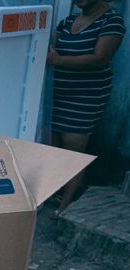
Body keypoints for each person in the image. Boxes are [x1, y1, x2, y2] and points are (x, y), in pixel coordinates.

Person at [46, 0, 125, 217]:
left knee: (73, 148)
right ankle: (54, 194)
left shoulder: (111, 21)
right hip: (58, 93)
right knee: (52, 145)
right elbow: (52, 46)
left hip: (85, 95)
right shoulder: (69, 20)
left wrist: (59, 60)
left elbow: (100, 58)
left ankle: (66, 203)